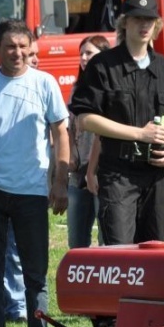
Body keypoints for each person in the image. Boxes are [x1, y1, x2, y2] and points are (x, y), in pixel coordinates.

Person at [0, 19, 69, 327]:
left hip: (32, 190)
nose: (18, 52)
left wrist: (60, 181)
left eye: (23, 46)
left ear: (31, 48)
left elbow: (61, 133)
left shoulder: (45, 84)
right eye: (10, 46)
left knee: (35, 272)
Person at [70, 0, 164, 245]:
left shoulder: (163, 68)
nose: (144, 25)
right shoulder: (102, 65)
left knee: (155, 252)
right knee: (122, 251)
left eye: (150, 20)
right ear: (124, 22)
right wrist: (139, 134)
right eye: (137, 19)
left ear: (157, 25)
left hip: (157, 176)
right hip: (119, 173)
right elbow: (86, 119)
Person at [69, 35, 110, 248]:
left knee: (107, 239)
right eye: (81, 54)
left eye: (90, 53)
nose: (84, 58)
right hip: (78, 174)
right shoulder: (77, 89)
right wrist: (71, 154)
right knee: (76, 240)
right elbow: (70, 126)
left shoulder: (111, 88)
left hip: (102, 172)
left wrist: (93, 170)